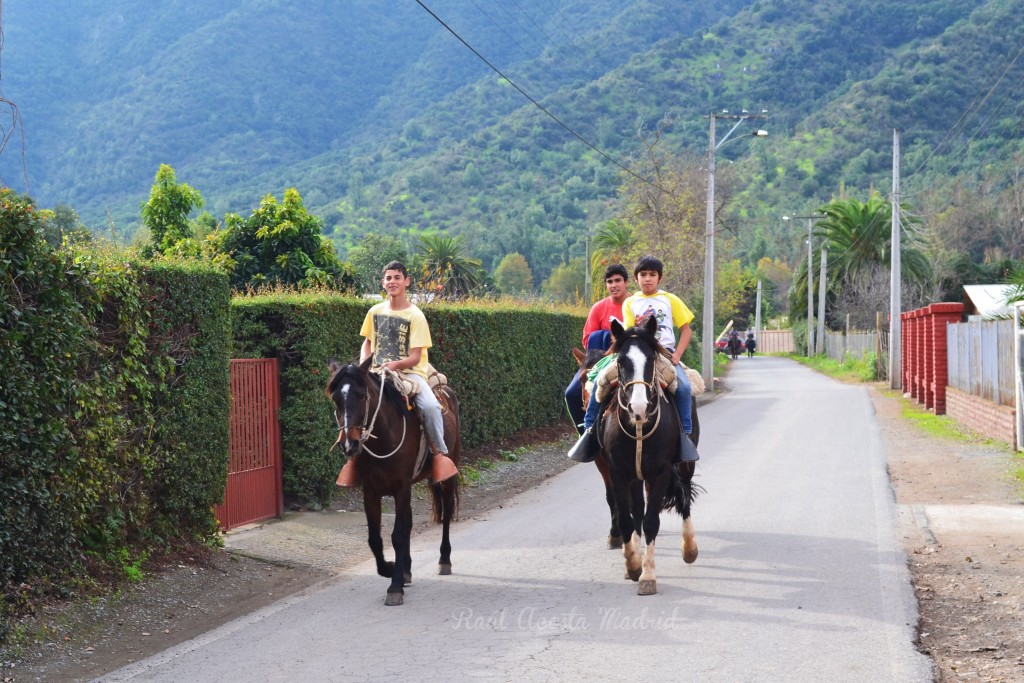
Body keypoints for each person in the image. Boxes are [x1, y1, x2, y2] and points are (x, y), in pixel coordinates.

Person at [337, 260, 459, 487]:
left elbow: (415, 356)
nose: (392, 282)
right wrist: (364, 365)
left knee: (431, 407)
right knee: (353, 403)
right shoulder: (375, 311)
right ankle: (353, 458)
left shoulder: (416, 315)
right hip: (376, 372)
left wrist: (394, 365)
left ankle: (439, 455)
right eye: (389, 278)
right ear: (383, 283)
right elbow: (367, 343)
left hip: (410, 373)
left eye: (397, 278)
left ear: (407, 282)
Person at [568, 255, 699, 464]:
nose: (648, 279)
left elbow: (686, 330)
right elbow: (628, 333)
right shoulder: (630, 302)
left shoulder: (670, 299)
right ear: (636, 279)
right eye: (643, 275)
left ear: (660, 277)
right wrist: (611, 354)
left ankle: (685, 437)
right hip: (636, 352)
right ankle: (590, 430)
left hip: (663, 355)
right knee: (599, 382)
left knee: (683, 388)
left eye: (652, 275)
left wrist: (677, 355)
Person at [564, 264, 630, 434]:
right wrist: (610, 338)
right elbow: (587, 340)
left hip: (629, 359)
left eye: (618, 280)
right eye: (610, 282)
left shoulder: (635, 304)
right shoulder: (599, 308)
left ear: (627, 282)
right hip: (601, 361)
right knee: (571, 394)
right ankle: (586, 435)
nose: (614, 285)